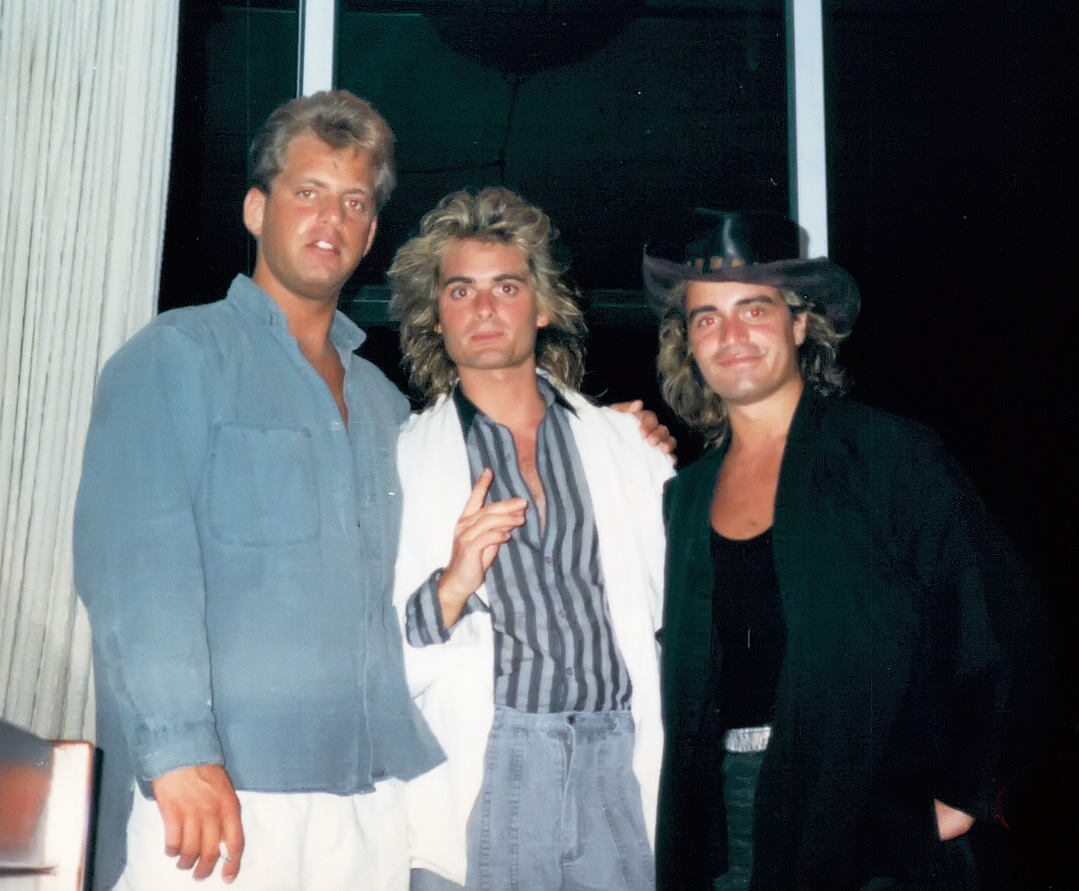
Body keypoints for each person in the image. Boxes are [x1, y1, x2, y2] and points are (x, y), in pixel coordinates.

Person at [73, 91, 445, 890]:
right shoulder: (175, 356)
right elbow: (135, 573)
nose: (331, 219)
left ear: (371, 233)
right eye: (306, 191)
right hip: (223, 798)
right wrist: (179, 752)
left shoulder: (385, 403)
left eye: (353, 202)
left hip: (369, 797)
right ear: (255, 208)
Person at [645, 211, 1048, 890]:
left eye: (753, 308)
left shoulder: (890, 456)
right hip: (731, 817)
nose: (730, 334)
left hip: (870, 822)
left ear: (800, 324)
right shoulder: (684, 494)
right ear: (687, 342)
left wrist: (962, 795)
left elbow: (1007, 631)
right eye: (706, 318)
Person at [387, 187, 674, 890]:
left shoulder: (629, 446)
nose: (484, 309)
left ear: (541, 307)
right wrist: (452, 583)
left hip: (618, 760)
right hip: (492, 760)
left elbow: (680, 611)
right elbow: (371, 649)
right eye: (461, 290)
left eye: (506, 286)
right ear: (436, 316)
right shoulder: (394, 459)